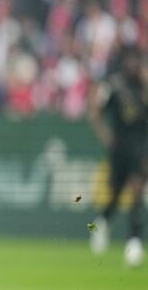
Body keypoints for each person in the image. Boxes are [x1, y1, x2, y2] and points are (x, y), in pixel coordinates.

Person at [87, 44, 147, 268]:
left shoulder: (143, 86)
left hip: (140, 149)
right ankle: (100, 223)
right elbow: (95, 111)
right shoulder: (114, 86)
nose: (135, 65)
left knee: (137, 193)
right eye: (131, 60)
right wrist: (105, 136)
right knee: (115, 196)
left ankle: (134, 244)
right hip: (119, 149)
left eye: (138, 60)